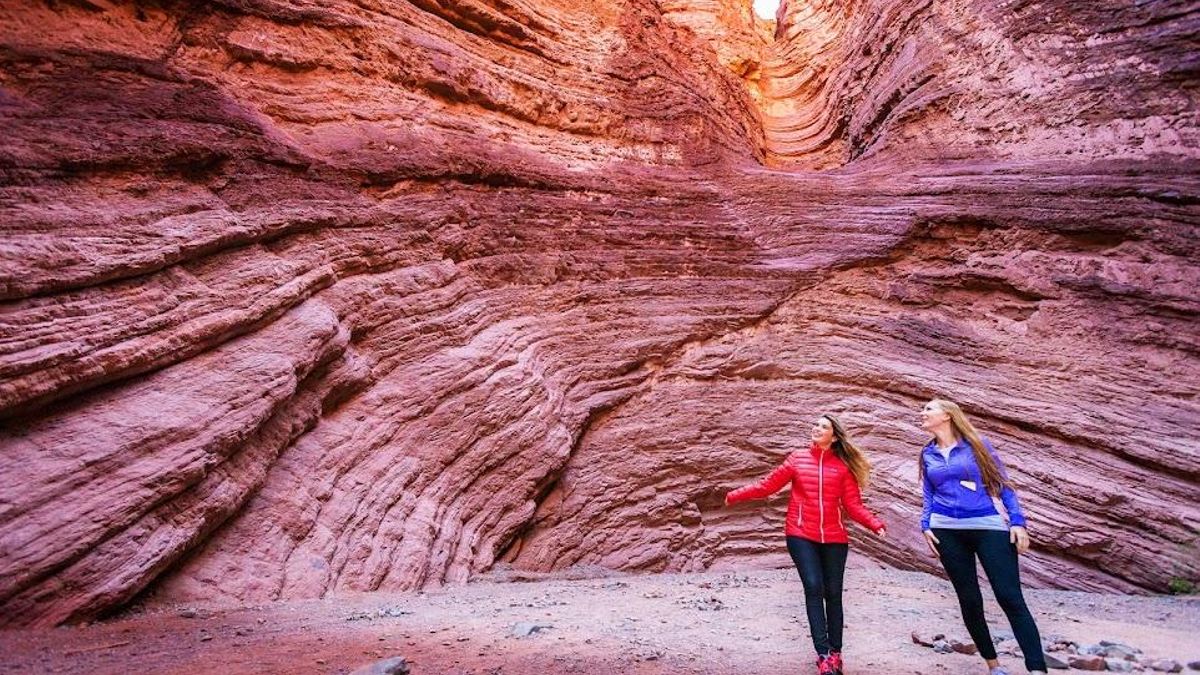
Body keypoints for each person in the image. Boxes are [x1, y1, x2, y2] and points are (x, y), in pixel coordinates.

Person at [725, 414, 887, 675]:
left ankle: (836, 653)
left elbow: (853, 505)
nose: (816, 428)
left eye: (824, 426)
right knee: (813, 586)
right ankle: (823, 655)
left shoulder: (843, 467)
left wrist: (874, 524)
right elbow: (767, 486)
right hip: (800, 534)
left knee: (833, 594)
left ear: (834, 437)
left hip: (834, 537)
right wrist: (735, 495)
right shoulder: (797, 459)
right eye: (816, 425)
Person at [918, 398, 1048, 675]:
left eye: (928, 408)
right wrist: (925, 524)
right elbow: (928, 492)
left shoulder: (977, 444)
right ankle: (994, 666)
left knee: (1009, 597)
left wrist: (1017, 521)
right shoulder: (927, 453)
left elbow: (1002, 483)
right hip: (945, 530)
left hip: (987, 525)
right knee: (969, 599)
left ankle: (1037, 669)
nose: (922, 412)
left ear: (947, 415)